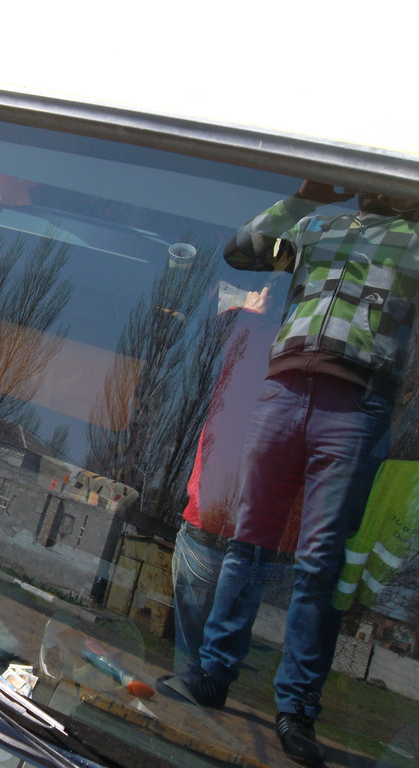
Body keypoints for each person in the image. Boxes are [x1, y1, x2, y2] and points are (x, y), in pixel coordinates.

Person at [159, 181, 419, 767]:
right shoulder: (317, 228)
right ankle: (213, 675)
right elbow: (241, 249)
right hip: (283, 390)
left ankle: (296, 709)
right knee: (246, 541)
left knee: (319, 562)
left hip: (355, 404)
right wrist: (307, 195)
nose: (372, 184)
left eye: (387, 173)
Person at [171, 279, 299, 677]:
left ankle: (193, 686)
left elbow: (198, 298)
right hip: (270, 542)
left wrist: (251, 306)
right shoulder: (313, 359)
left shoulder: (245, 331)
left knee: (190, 666)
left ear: (270, 298)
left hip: (210, 524)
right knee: (218, 670)